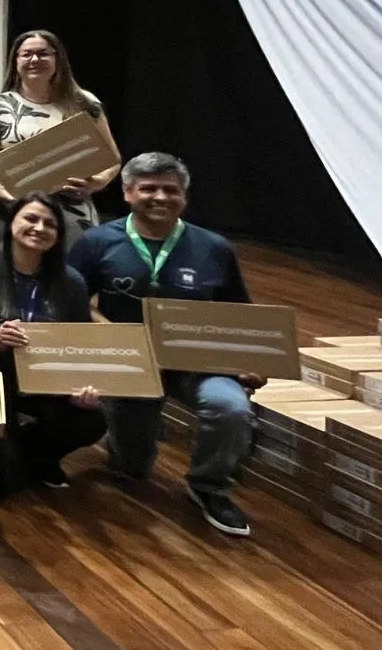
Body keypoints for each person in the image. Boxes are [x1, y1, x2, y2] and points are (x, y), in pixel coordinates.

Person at [68, 153, 261, 537]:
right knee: (131, 469)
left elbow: (239, 315)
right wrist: (116, 335)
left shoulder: (214, 247)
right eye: (148, 188)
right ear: (127, 193)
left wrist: (247, 362)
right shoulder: (95, 242)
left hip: (198, 364)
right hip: (132, 367)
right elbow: (71, 304)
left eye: (170, 190)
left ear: (184, 197)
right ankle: (127, 444)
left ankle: (209, 485)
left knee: (231, 408)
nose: (160, 197)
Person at [0, 193, 106, 497]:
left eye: (50, 223)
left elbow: (78, 345)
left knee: (91, 421)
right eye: (30, 219)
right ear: (11, 224)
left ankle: (31, 453)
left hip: (41, 381)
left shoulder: (72, 282)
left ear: (58, 234)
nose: (39, 228)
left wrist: (81, 390)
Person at [0, 30, 120, 247]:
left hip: (71, 212)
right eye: (27, 54)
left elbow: (112, 158)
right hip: (14, 210)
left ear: (58, 59)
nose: (35, 60)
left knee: (69, 275)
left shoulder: (85, 103)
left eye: (43, 54)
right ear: (16, 60)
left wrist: (96, 183)